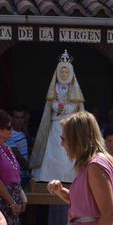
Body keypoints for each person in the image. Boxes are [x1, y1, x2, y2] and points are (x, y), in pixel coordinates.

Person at [29, 50, 86, 183]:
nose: (64, 74)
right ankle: (48, 176)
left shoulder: (73, 87)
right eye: (62, 72)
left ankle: (72, 178)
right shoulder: (55, 87)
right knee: (54, 151)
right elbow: (51, 104)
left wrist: (65, 108)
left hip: (71, 125)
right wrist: (57, 107)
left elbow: (76, 105)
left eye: (66, 72)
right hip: (56, 125)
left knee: (70, 153)